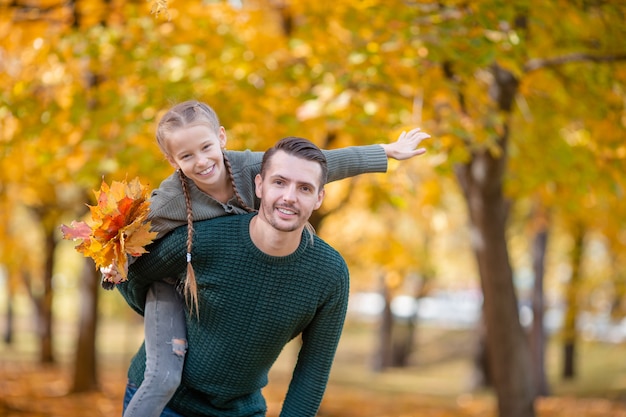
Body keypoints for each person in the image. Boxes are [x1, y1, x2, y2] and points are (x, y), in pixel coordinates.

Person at [107, 100, 430, 417]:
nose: (202, 161)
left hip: (239, 406)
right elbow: (130, 239)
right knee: (163, 375)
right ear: (171, 160)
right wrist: (115, 266)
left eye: (206, 148)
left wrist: (384, 152)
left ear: (221, 138)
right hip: (173, 302)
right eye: (187, 156)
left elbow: (326, 162)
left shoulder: (254, 168)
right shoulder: (174, 204)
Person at [118, 137, 349, 416]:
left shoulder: (331, 273)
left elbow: (313, 369)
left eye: (304, 188)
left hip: (241, 410)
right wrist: (165, 320)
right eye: (279, 182)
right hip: (163, 404)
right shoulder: (203, 239)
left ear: (318, 198)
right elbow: (132, 275)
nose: (289, 196)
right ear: (259, 185)